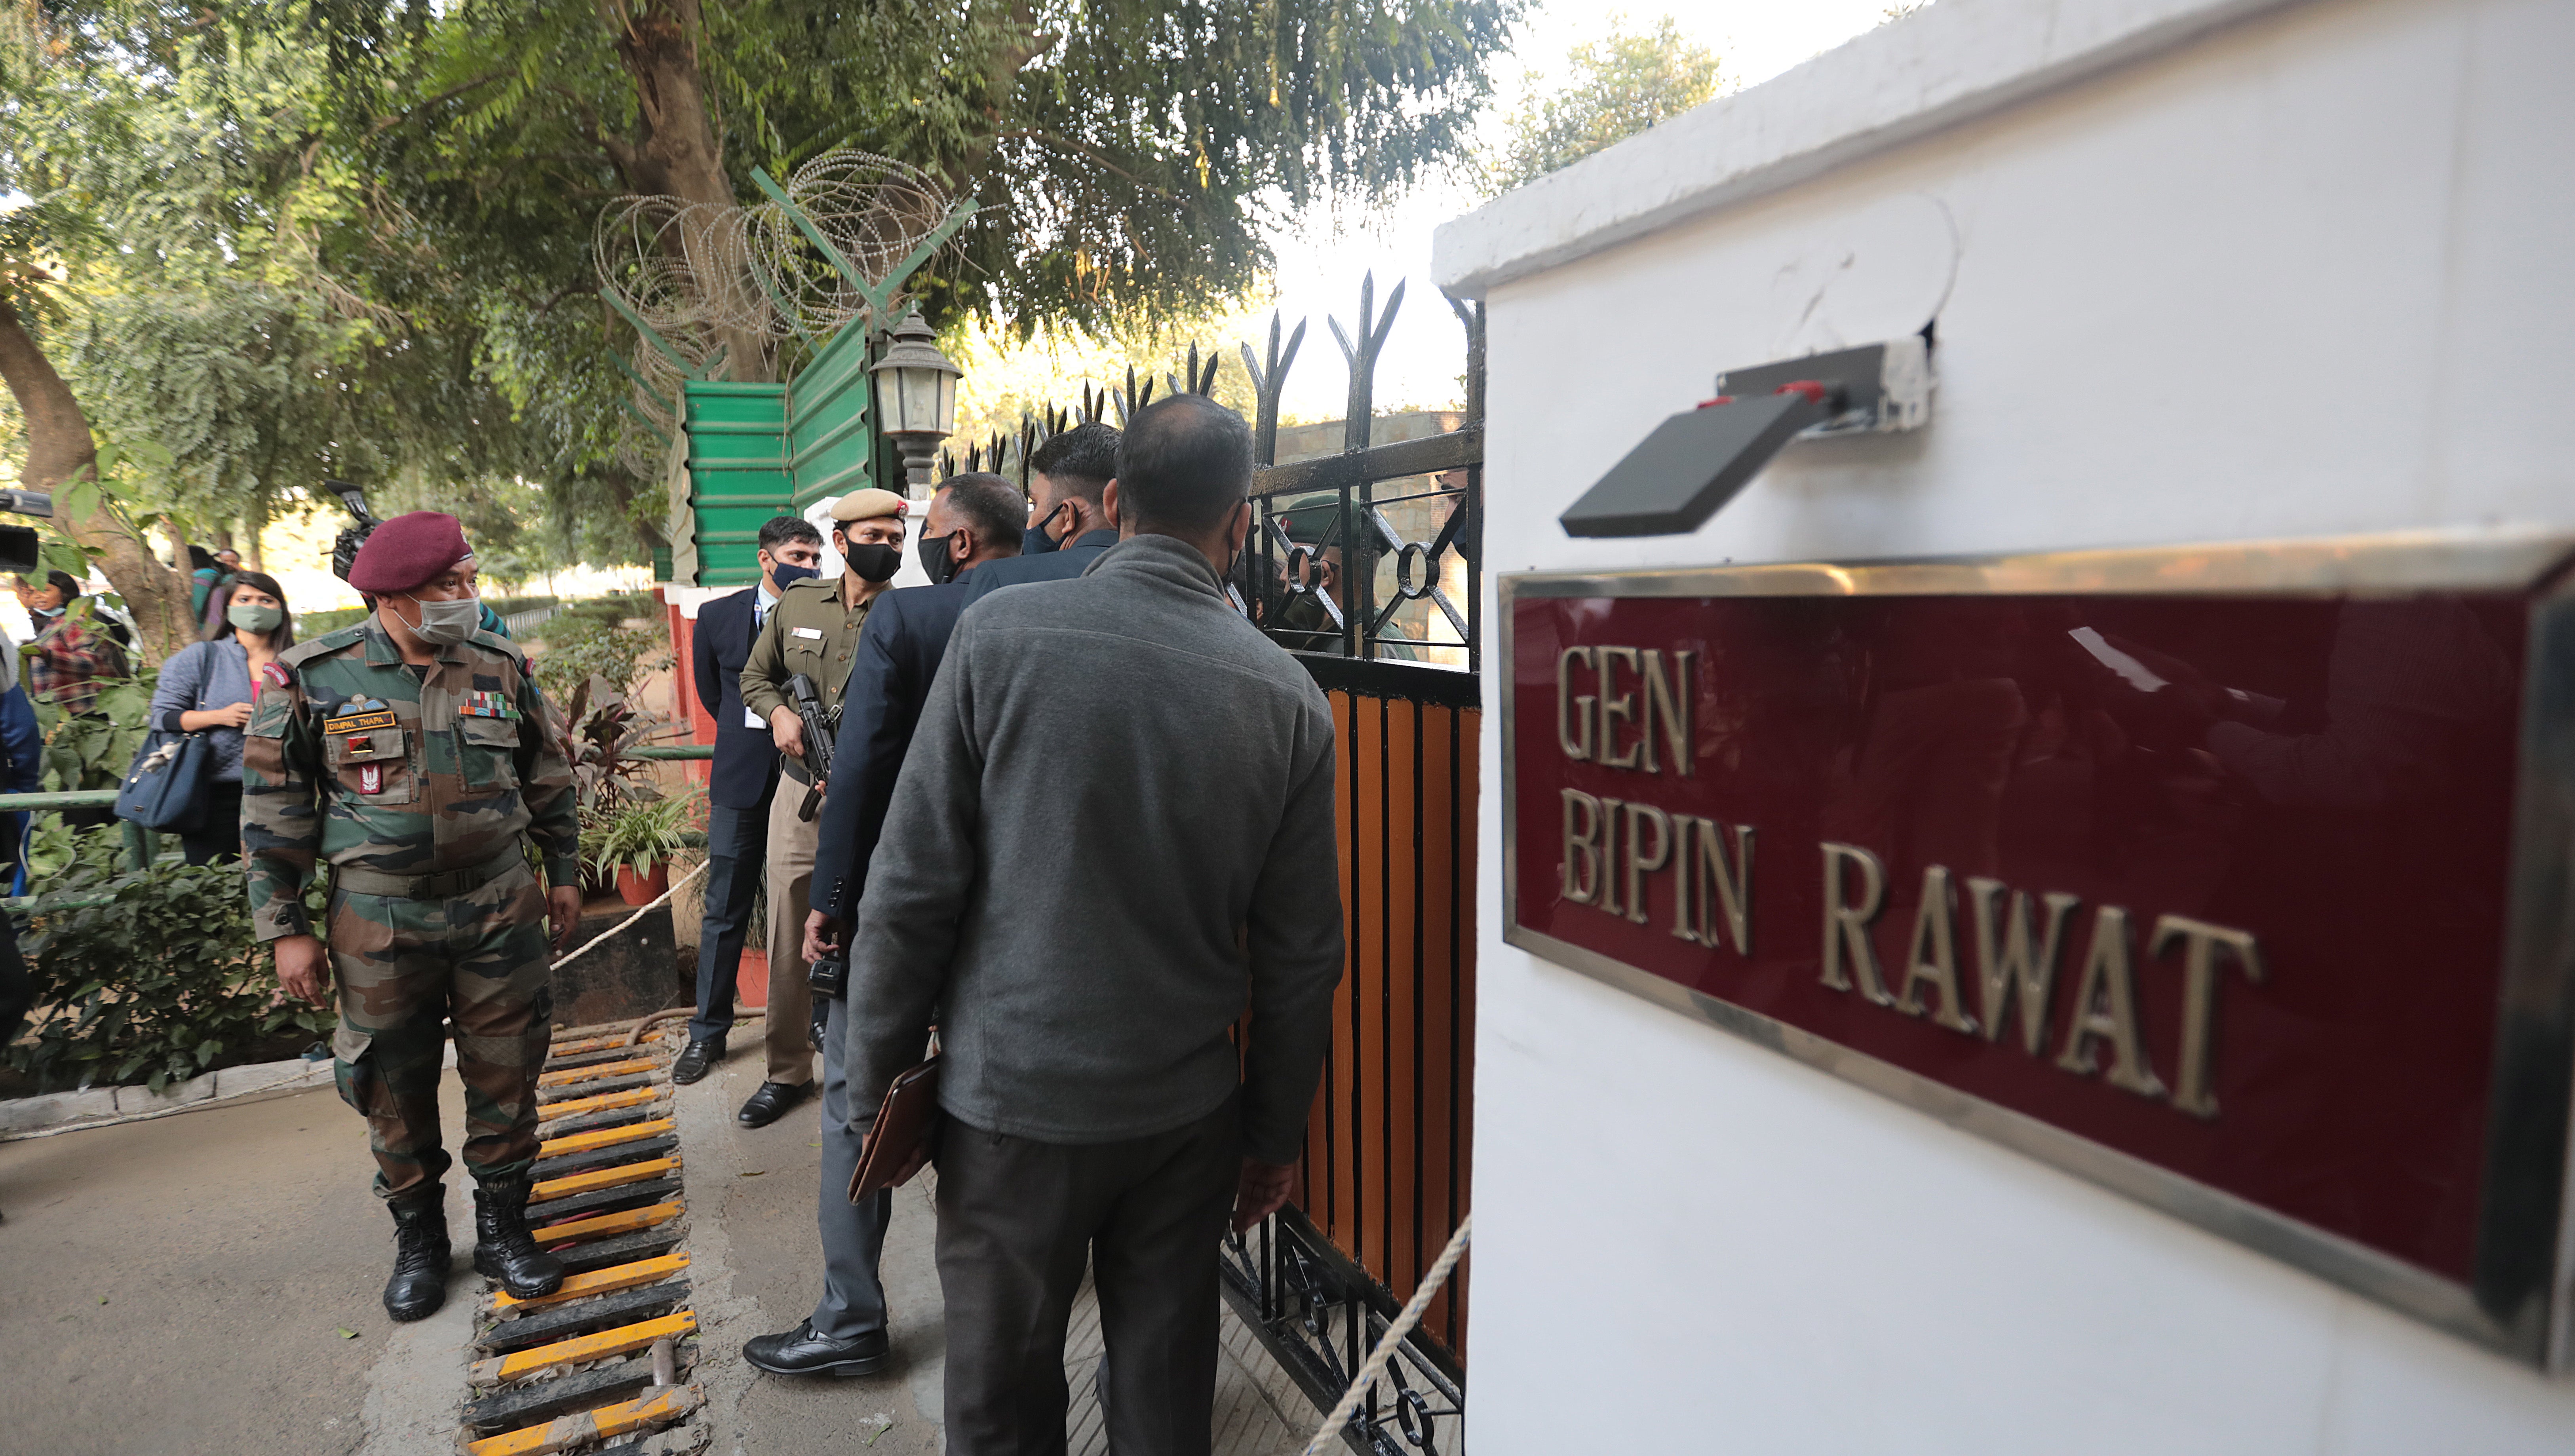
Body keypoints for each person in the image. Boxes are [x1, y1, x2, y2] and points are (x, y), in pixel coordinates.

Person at [842, 395, 1345, 1453]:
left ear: (1112, 502)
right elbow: (1303, 951)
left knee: (999, 1394)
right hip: (1185, 1116)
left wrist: (878, 1084)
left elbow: (912, 882)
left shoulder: (999, 634)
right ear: (1241, 525)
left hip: (1009, 1106)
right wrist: (1270, 1133)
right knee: (1166, 1395)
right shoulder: (1288, 696)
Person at [241, 511, 583, 1323]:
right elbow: (273, 809)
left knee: (507, 1073)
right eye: (449, 587)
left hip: (498, 905)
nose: (468, 598)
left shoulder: (498, 665)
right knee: (392, 1085)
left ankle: (504, 1231)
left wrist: (564, 871)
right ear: (393, 597)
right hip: (379, 919)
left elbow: (548, 774)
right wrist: (286, 926)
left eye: (470, 582)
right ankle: (421, 1241)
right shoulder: (313, 677)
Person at [738, 474, 1022, 1380]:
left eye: (917, 527)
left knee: (858, 1102)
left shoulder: (913, 619)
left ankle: (851, 1316)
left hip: (899, 902)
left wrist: (834, 896)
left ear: (957, 542)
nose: (902, 540)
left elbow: (858, 775)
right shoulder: (1082, 605)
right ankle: (1013, 1305)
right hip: (1016, 907)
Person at [734, 487, 908, 1129]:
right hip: (800, 793)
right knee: (787, 928)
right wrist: (779, 713)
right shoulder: (799, 605)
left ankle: (872, 1070)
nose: (885, 547)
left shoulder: (907, 615)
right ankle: (785, 1070)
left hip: (875, 804)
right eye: (873, 537)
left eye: (894, 539)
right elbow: (755, 676)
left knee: (873, 929)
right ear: (840, 542)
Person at [672, 515, 822, 1087]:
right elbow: (714, 693)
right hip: (740, 778)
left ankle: (819, 1021)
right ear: (766, 558)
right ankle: (708, 1032)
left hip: (807, 779)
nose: (808, 566)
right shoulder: (716, 616)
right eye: (797, 555)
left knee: (811, 904)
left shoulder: (824, 609)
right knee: (724, 907)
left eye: (814, 558)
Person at [149, 570, 295, 865]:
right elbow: (163, 717)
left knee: (280, 882)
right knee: (216, 883)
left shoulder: (299, 661)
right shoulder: (202, 657)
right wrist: (219, 717)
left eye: (266, 600)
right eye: (245, 599)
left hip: (285, 792)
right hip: (216, 793)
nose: (255, 606)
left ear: (280, 608)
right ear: (228, 608)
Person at [959, 421, 1122, 601]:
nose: (1030, 524)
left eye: (1035, 505)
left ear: (1068, 516)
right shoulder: (1154, 575)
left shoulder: (1002, 579)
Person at [17, 570, 126, 717]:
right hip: (61, 712)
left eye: (45, 590)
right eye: (32, 592)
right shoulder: (55, 623)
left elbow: (90, 663)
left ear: (65, 592)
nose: (37, 596)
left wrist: (47, 655)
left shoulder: (78, 622)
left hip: (83, 712)